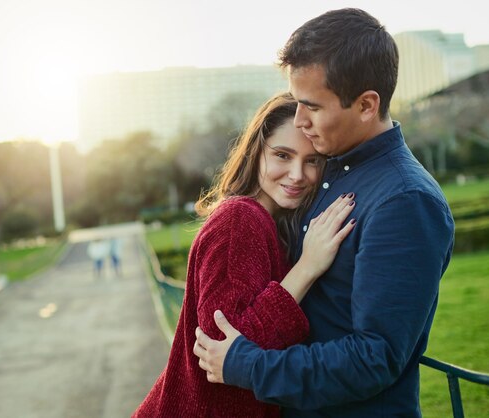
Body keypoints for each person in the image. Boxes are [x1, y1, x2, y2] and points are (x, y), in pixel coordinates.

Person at [193, 8, 455, 417]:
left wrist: (248, 363)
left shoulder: (404, 201)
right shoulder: (326, 168)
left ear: (367, 104)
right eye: (297, 103)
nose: (300, 121)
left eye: (311, 107)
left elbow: (374, 357)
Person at [133, 92, 356, 417]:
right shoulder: (239, 219)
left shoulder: (268, 223)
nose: (297, 174)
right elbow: (222, 348)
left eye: (312, 161)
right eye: (282, 155)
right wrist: (307, 267)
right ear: (257, 152)